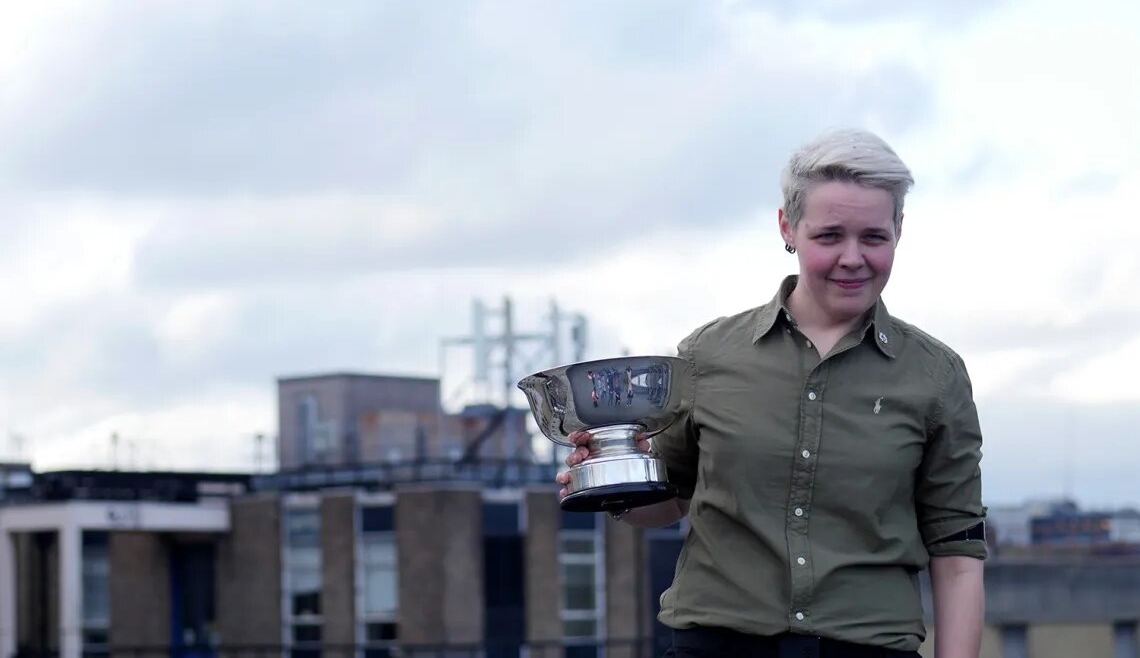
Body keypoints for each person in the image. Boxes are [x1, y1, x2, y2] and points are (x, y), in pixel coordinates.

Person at [557, 128, 987, 658]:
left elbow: (958, 554)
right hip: (716, 644)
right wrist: (612, 484)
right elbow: (671, 500)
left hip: (867, 647)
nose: (853, 258)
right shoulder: (707, 355)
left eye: (873, 237)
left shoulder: (935, 376)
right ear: (788, 227)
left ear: (899, 230)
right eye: (830, 236)